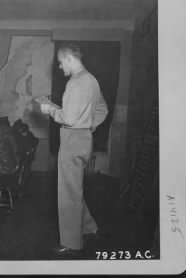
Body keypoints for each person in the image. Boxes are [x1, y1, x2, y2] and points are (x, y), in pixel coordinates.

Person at [40, 44, 108, 256]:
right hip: (83, 138)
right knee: (73, 189)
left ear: (69, 59)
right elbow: (102, 110)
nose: (60, 67)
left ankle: (71, 243)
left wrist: (49, 109)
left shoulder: (75, 83)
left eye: (61, 62)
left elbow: (68, 119)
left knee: (68, 193)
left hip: (71, 140)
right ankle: (90, 228)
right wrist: (88, 126)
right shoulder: (92, 80)